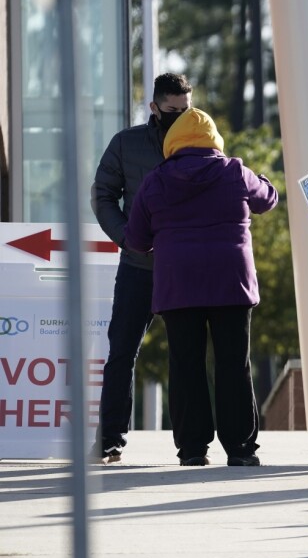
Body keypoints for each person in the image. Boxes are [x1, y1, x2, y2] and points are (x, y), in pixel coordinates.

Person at [124, 107, 278, 466]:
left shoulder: (156, 180)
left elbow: (135, 239)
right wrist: (266, 180)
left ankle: (193, 449)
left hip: (179, 285)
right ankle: (240, 448)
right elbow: (266, 200)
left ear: (174, 142)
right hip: (231, 283)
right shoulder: (235, 171)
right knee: (233, 363)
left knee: (185, 364)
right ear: (214, 141)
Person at [89, 73, 192, 464]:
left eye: (186, 110)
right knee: (122, 352)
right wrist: (127, 238)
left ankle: (192, 447)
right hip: (138, 265)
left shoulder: (202, 140)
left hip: (185, 267)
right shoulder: (126, 143)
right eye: (172, 111)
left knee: (187, 356)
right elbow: (103, 195)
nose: (181, 117)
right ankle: (110, 441)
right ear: (154, 107)